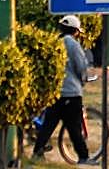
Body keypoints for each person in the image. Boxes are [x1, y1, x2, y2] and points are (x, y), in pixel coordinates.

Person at [32, 15, 91, 160]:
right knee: (74, 129)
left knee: (48, 125)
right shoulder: (72, 44)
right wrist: (83, 80)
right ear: (75, 31)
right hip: (71, 93)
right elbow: (81, 66)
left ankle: (37, 151)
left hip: (56, 91)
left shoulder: (54, 42)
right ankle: (83, 157)